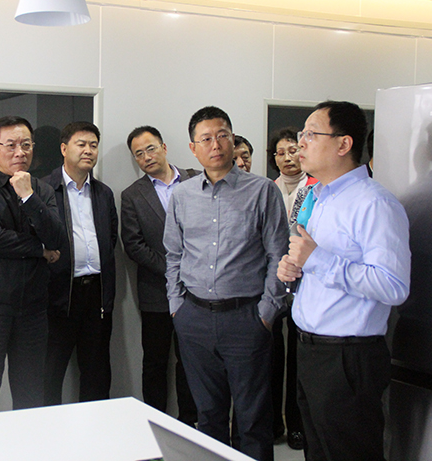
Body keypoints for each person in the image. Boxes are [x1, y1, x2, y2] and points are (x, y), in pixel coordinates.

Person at [277, 101, 411, 461]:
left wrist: (317, 259)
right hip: (310, 349)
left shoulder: (375, 203)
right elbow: (318, 265)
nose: (301, 143)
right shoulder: (318, 197)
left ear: (343, 144)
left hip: (347, 358)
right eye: (302, 133)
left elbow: (393, 285)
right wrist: (295, 269)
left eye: (311, 134)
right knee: (318, 452)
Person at [164, 106, 288, 461]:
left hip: (246, 318)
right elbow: (173, 254)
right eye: (206, 139)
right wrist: (176, 306)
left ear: (233, 140)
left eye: (222, 136)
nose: (215, 145)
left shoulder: (262, 191)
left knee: (253, 418)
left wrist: (266, 313)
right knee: (208, 416)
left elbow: (278, 255)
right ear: (193, 148)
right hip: (194, 318)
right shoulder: (182, 195)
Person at [0, 115, 65, 415]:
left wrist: (28, 197)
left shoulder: (41, 190)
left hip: (32, 309)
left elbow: (57, 238)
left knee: (31, 398)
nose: (20, 152)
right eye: (11, 145)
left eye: (26, 145)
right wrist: (39, 250)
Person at [121, 125, 198, 425]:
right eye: (138, 154)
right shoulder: (132, 195)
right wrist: (173, 270)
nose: (146, 157)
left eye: (150, 149)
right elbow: (134, 245)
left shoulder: (196, 179)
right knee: (154, 362)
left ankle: (190, 422)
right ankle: (155, 424)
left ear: (164, 148)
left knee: (191, 361)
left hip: (198, 292)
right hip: (156, 292)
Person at [43, 122, 118, 405]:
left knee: (97, 375)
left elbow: (110, 239)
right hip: (58, 295)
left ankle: (94, 431)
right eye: (81, 144)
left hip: (96, 294)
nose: (88, 150)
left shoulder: (103, 193)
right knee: (49, 374)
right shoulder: (44, 189)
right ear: (64, 149)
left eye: (93, 145)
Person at [265, 128, 318, 449]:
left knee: (300, 358)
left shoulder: (316, 188)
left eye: (293, 150)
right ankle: (273, 423)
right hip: (273, 282)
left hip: (307, 282)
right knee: (271, 356)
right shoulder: (267, 189)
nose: (288, 158)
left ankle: (297, 425)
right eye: (281, 153)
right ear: (274, 159)